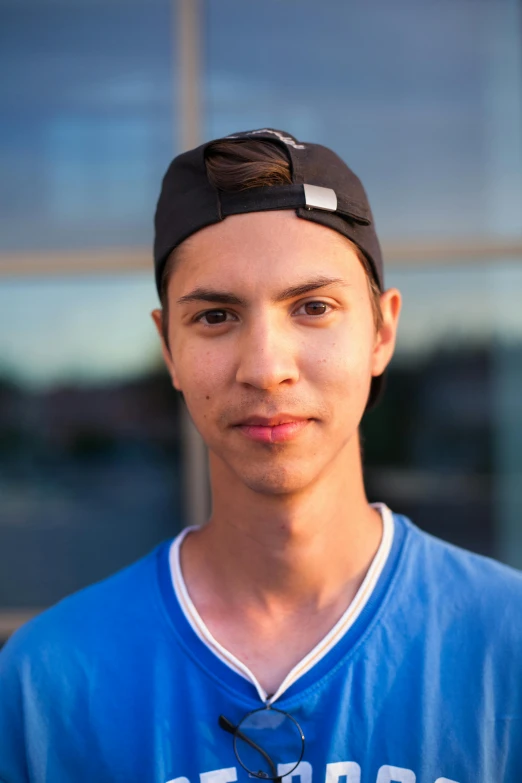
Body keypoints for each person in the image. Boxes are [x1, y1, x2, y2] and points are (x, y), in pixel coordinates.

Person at [0, 128, 521, 783]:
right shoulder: (48, 680)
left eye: (312, 307)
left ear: (382, 331)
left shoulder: (507, 643)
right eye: (216, 316)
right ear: (169, 349)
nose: (266, 367)